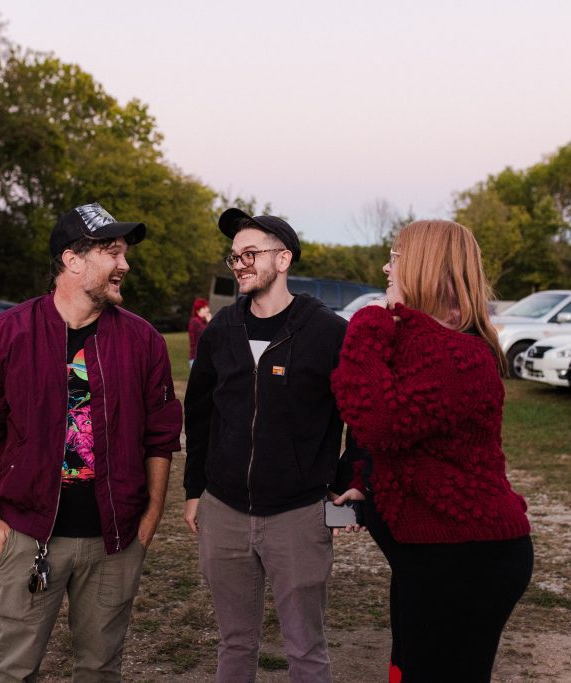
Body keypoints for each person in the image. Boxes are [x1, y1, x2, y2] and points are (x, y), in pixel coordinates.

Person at [0, 202, 182, 682]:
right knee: (14, 668)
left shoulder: (144, 342)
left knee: (99, 668)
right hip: (28, 534)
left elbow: (161, 436)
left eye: (123, 254)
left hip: (114, 539)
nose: (125, 265)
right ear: (71, 261)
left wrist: (151, 516)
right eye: (112, 253)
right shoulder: (3, 336)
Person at [330, 220, 533, 683]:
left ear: (424, 267)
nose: (387, 266)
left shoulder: (458, 355)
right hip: (429, 557)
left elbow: (378, 421)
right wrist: (368, 487)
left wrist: (365, 323)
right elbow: (408, 444)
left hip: (467, 562)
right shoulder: (422, 345)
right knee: (408, 669)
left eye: (396, 257)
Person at [183, 208, 349, 682]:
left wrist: (343, 489)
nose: (239, 263)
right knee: (234, 644)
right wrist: (196, 490)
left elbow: (360, 416)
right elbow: (199, 416)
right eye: (234, 255)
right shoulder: (220, 330)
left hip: (298, 515)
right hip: (225, 511)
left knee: (305, 649)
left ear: (284, 259)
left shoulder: (328, 332)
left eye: (250, 253)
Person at [188, 297, 211, 368]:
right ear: (197, 311)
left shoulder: (201, 322)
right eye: (204, 308)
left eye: (207, 307)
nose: (207, 309)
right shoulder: (195, 321)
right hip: (197, 359)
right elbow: (207, 334)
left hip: (201, 359)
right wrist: (210, 322)